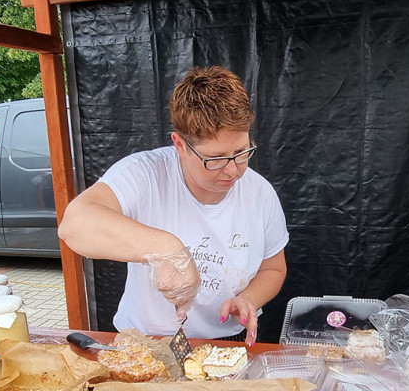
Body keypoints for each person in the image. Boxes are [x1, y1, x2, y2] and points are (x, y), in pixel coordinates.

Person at [58, 66, 288, 345]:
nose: (233, 171)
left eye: (241, 152)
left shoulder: (260, 193)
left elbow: (273, 269)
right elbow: (74, 224)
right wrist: (167, 250)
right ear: (180, 144)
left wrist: (248, 299)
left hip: (227, 339)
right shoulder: (144, 174)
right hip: (145, 339)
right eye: (214, 158)